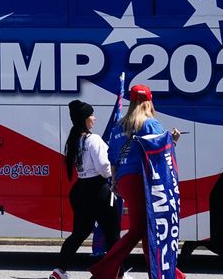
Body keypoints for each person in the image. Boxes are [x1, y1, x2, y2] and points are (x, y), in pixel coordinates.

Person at [89, 85, 185, 279]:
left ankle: (168, 274)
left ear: (131, 102)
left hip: (125, 181)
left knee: (145, 230)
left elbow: (112, 158)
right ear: (149, 102)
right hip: (144, 179)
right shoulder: (151, 124)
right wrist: (173, 140)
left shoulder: (118, 127)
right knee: (141, 229)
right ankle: (102, 271)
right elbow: (159, 153)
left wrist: (116, 182)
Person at [51, 100, 119, 279]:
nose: (94, 118)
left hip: (80, 190)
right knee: (113, 234)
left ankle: (59, 270)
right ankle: (116, 274)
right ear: (84, 119)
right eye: (91, 115)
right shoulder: (93, 139)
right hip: (98, 190)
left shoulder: (74, 140)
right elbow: (104, 168)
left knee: (79, 232)